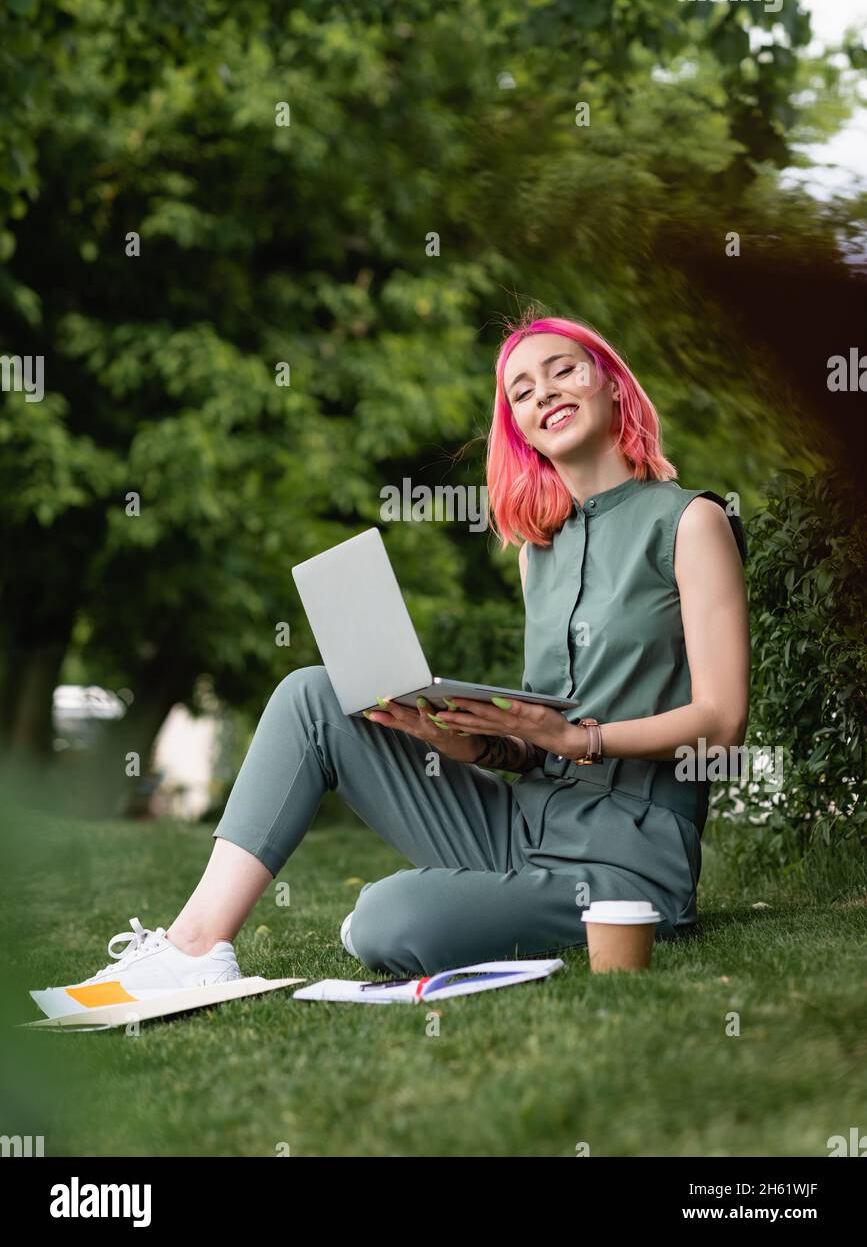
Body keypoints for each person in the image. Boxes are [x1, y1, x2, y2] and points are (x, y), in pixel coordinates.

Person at [68, 313, 750, 990]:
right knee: (312, 695)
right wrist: (463, 740)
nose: (542, 392)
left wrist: (580, 740)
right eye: (520, 391)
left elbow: (720, 727)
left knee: (387, 920)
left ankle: (445, 906)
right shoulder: (536, 553)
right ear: (517, 429)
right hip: (518, 829)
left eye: (562, 370)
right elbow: (535, 746)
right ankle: (194, 947)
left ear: (612, 387)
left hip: (624, 868)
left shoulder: (691, 521)